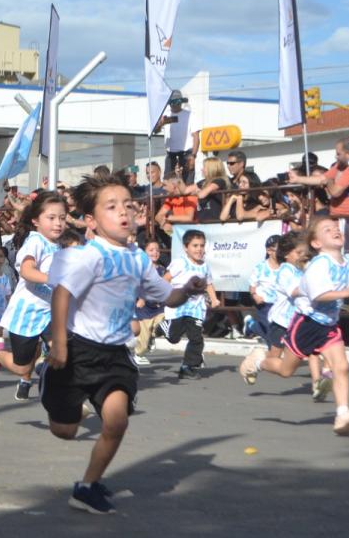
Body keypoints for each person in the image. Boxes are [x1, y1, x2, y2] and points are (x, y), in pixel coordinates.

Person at [42, 173, 208, 514]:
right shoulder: (91, 256)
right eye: (111, 206)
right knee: (65, 431)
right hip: (77, 351)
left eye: (128, 206)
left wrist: (186, 290)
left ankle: (87, 486)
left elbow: (167, 297)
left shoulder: (137, 259)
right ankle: (51, 382)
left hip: (116, 353)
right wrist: (59, 344)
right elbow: (61, 294)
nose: (123, 212)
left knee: (116, 420)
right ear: (91, 221)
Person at [239, 216, 349, 435]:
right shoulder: (318, 265)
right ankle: (258, 361)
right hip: (306, 323)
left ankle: (343, 414)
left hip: (328, 325)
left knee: (341, 367)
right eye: (328, 229)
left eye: (336, 227)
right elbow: (318, 294)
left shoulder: (345, 262)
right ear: (316, 243)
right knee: (285, 370)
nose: (335, 230)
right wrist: (344, 294)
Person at [0, 191, 67, 400]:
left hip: (49, 314)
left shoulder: (59, 246)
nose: (58, 223)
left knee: (63, 352)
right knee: (22, 367)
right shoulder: (35, 242)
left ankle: (62, 394)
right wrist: (51, 278)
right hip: (26, 315)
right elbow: (27, 271)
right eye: (51, 218)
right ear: (35, 221)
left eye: (62, 218)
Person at [260, 232, 330, 400]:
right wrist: (315, 289)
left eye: (304, 253)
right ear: (286, 254)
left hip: (300, 320)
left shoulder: (304, 269)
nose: (303, 256)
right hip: (282, 321)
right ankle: (257, 361)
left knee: (314, 352)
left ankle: (317, 385)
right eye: (298, 253)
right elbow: (294, 291)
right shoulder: (285, 271)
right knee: (275, 360)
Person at [162, 230, 220, 380]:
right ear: (186, 247)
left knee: (196, 338)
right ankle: (163, 326)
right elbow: (166, 278)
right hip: (177, 307)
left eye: (202, 245)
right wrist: (164, 295)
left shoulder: (205, 266)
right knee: (173, 337)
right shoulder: (180, 263)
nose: (199, 249)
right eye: (195, 245)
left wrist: (214, 299)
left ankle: (187, 366)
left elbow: (208, 283)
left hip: (196, 308)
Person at [289, 139, 349, 217]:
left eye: (338, 154)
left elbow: (335, 192)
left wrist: (328, 181)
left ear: (348, 154)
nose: (336, 156)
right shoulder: (339, 166)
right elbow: (321, 178)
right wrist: (297, 178)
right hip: (337, 215)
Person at [130, 239, 167, 365]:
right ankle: (138, 354)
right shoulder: (141, 269)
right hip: (144, 308)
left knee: (162, 322)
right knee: (143, 336)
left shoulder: (162, 269)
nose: (155, 252)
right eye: (151, 250)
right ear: (144, 253)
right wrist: (141, 299)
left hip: (158, 307)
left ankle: (153, 336)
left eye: (157, 250)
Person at [246, 235, 282, 343]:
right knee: (270, 334)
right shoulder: (260, 267)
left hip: (280, 304)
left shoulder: (286, 267)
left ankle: (251, 325)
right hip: (264, 304)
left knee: (276, 331)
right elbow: (252, 286)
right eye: (278, 250)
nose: (281, 253)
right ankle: (252, 325)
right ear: (269, 251)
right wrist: (255, 296)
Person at [157, 90, 198, 183]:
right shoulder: (165, 115)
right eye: (172, 102)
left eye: (177, 102)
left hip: (186, 153)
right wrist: (160, 124)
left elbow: (196, 136)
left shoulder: (190, 115)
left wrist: (193, 155)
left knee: (188, 181)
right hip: (171, 154)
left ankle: (187, 197)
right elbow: (155, 131)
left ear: (181, 102)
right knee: (168, 181)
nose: (174, 105)